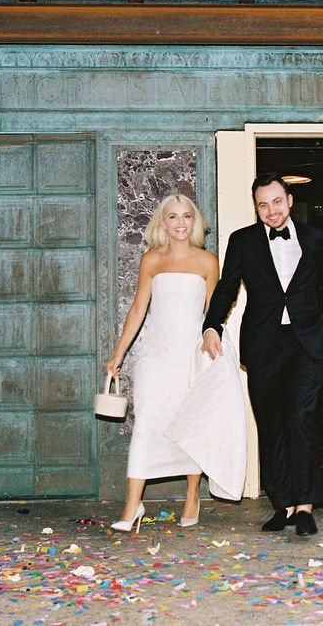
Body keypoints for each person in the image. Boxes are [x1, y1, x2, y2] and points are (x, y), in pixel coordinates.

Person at [202, 173, 323, 536]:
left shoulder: (316, 237)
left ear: (289, 200)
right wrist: (212, 326)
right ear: (256, 208)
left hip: (305, 343)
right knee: (271, 424)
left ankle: (305, 505)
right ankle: (283, 504)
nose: (271, 210)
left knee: (300, 418)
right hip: (263, 344)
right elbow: (226, 289)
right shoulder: (243, 241)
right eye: (262, 205)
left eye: (276, 201)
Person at [106, 193, 246, 533]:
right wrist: (118, 354)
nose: (180, 222)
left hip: (192, 355)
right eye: (173, 217)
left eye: (186, 216)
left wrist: (215, 340)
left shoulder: (208, 261)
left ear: (194, 222)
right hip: (155, 356)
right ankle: (132, 506)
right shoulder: (151, 260)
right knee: (147, 426)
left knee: (191, 424)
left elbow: (216, 309)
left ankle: (192, 496)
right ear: (163, 223)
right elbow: (138, 310)